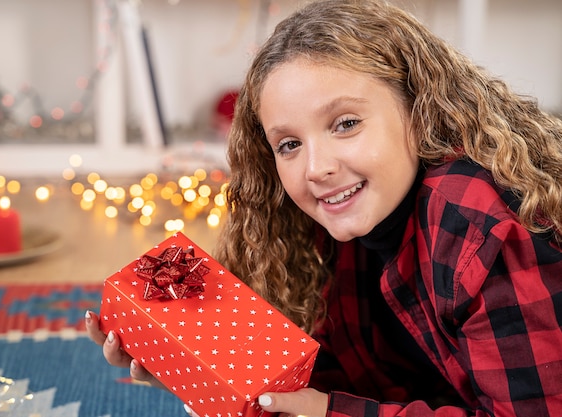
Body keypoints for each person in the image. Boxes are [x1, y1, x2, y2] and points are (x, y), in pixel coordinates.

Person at [86, 0, 562, 415]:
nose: (316, 168)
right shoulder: (332, 223)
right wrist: (192, 365)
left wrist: (330, 414)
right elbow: (359, 385)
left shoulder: (478, 219)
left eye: (346, 123)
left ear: (420, 110)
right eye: (289, 144)